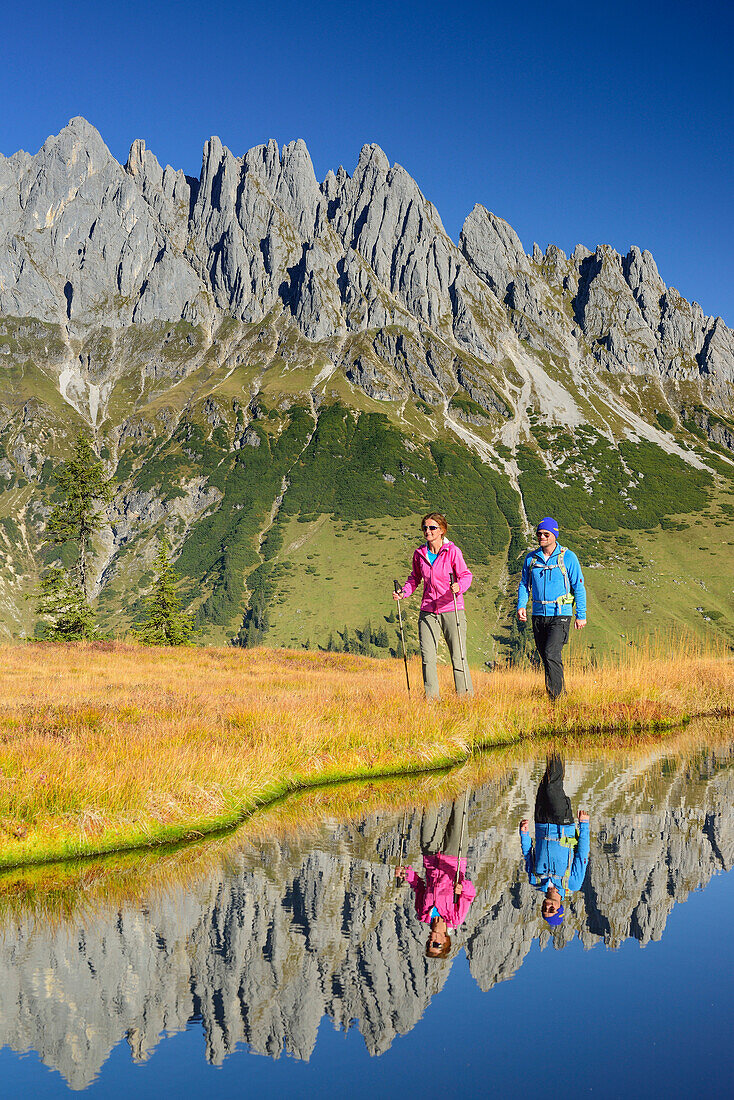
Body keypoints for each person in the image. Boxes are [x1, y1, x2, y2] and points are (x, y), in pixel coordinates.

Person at [394, 513, 473, 700]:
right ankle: (432, 701)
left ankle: (465, 698)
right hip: (428, 610)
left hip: (452, 608)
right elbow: (414, 578)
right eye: (425, 527)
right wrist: (404, 592)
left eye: (432, 528)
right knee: (428, 658)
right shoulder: (419, 554)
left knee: (458, 656)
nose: (427, 531)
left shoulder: (453, 551)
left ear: (442, 530)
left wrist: (459, 587)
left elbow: (466, 575)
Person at [396, 793, 476, 958]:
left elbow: (419, 886)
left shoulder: (422, 913)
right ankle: (461, 773)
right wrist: (463, 887)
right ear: (446, 941)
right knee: (459, 809)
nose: (431, 940)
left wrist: (406, 874)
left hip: (431, 858)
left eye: (429, 944)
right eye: (436, 945)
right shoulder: (456, 918)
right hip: (455, 859)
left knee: (429, 809)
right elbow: (470, 895)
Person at [517, 516, 586, 700]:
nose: (542, 537)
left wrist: (581, 614)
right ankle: (554, 694)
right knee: (545, 656)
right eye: (539, 534)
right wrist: (521, 605)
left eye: (546, 534)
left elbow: (579, 586)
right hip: (538, 615)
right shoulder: (531, 558)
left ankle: (558, 698)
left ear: (554, 534)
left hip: (560, 614)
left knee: (551, 652)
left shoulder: (568, 557)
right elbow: (525, 584)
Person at [519, 754, 590, 926]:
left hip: (541, 823)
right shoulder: (572, 883)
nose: (548, 906)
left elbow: (529, 855)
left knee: (544, 785)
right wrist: (584, 826)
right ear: (560, 908)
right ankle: (556, 748)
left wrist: (524, 835)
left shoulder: (535, 880)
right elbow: (581, 855)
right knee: (553, 787)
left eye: (545, 909)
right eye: (552, 910)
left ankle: (551, 749)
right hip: (563, 825)